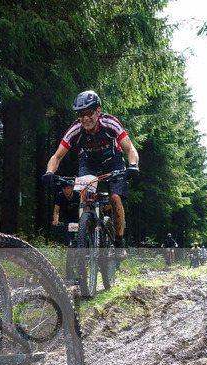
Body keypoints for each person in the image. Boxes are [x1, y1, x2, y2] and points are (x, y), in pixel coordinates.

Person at [41, 90, 139, 258]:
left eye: (89, 113)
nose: (85, 118)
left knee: (115, 197)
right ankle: (86, 236)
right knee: (85, 195)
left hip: (113, 160)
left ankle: (119, 242)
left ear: (98, 111)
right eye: (81, 114)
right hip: (89, 162)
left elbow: (130, 148)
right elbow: (57, 156)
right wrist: (49, 172)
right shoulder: (75, 129)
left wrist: (133, 165)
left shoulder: (110, 124)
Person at [53, 182, 80, 246]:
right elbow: (56, 211)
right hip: (67, 222)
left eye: (68, 188)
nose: (66, 191)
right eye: (64, 189)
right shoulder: (59, 196)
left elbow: (82, 209)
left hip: (79, 220)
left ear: (72, 188)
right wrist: (56, 220)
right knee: (68, 243)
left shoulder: (78, 195)